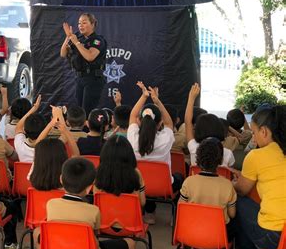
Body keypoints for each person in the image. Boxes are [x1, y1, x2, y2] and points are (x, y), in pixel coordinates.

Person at [43, 157, 136, 249]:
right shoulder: (93, 210)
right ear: (89, 188)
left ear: (61, 179)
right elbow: (95, 236)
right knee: (130, 243)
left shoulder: (50, 204)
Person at [231, 105, 286, 249]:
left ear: (264, 131)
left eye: (254, 133)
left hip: (273, 234)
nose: (253, 138)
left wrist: (233, 183)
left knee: (239, 202)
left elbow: (241, 190)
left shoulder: (256, 156)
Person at [127, 82, 180, 225]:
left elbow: (132, 116)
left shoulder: (133, 138)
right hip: (163, 186)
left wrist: (144, 97)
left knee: (144, 178)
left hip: (137, 184)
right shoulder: (165, 139)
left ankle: (147, 213)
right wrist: (157, 101)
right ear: (160, 122)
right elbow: (170, 124)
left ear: (140, 121)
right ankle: (175, 218)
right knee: (179, 178)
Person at [179, 137, 236, 249]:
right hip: (220, 234)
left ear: (198, 158)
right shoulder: (227, 184)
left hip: (193, 232)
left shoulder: (189, 182)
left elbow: (181, 209)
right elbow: (232, 214)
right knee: (233, 223)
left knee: (196, 222)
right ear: (220, 159)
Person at [60, 13, 107, 114]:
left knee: (88, 111)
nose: (80, 25)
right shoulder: (78, 38)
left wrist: (76, 43)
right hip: (80, 78)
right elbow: (63, 53)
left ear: (93, 24)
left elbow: (90, 56)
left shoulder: (97, 40)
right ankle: (81, 129)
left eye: (84, 22)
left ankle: (89, 129)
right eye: (79, 23)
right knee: (80, 112)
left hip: (93, 79)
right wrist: (68, 37)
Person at [185, 84, 235, 167]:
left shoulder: (194, 148)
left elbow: (187, 122)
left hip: (196, 180)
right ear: (219, 129)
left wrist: (191, 98)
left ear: (197, 130)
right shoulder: (228, 154)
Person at [95, 135, 146, 206]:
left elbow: (96, 202)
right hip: (130, 215)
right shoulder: (136, 173)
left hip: (105, 215)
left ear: (104, 154)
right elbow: (142, 202)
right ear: (129, 154)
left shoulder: (98, 173)